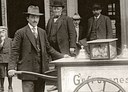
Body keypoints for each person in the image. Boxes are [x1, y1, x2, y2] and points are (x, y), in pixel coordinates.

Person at [8, 5, 68, 92]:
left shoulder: (42, 32)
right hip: (27, 71)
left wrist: (62, 56)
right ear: (27, 18)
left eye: (37, 17)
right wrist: (11, 68)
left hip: (41, 71)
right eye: (32, 17)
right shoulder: (21, 32)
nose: (35, 20)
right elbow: (15, 51)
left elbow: (49, 49)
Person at [0, 26, 13, 92]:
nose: (2, 32)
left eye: (4, 31)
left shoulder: (10, 40)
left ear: (6, 32)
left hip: (9, 59)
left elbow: (12, 49)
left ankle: (10, 86)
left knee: (9, 73)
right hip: (1, 60)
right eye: (1, 31)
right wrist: (1, 42)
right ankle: (1, 86)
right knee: (1, 74)